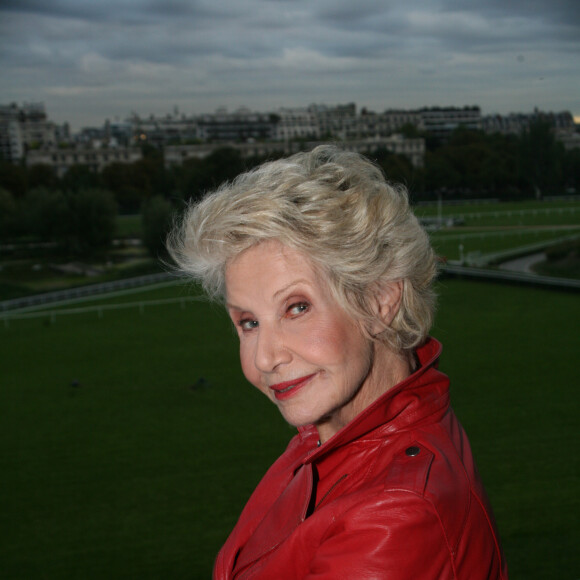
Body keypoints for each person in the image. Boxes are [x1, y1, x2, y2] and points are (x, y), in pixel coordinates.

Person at [168, 145, 508, 579]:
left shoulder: (396, 515)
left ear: (380, 299)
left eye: (296, 308)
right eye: (249, 322)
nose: (267, 358)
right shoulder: (329, 436)